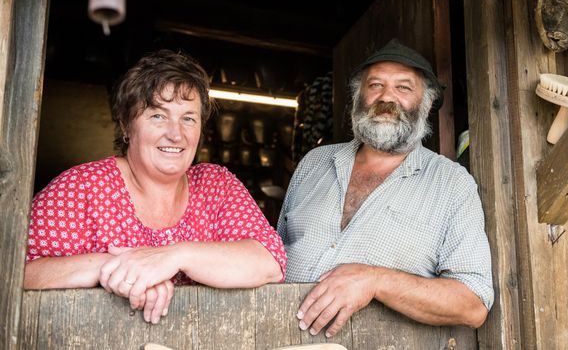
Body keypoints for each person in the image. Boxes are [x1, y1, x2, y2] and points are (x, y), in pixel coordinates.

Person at [25, 50, 286, 324]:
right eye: (158, 116)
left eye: (188, 118)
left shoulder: (215, 185)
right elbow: (13, 270)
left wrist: (173, 257)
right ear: (126, 125)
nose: (176, 133)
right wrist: (118, 267)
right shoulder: (82, 188)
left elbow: (269, 261)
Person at [277, 39, 493, 337]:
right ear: (358, 97)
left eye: (404, 88)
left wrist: (375, 280)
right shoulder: (314, 163)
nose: (386, 97)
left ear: (426, 103)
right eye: (375, 85)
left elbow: (473, 304)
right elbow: (273, 259)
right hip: (278, 339)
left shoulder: (451, 184)